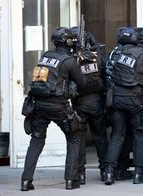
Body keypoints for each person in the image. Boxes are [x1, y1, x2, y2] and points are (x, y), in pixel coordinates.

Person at [21, 27, 86, 191]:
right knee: (74, 137)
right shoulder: (69, 61)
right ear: (68, 41)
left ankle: (25, 182)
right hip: (59, 106)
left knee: (36, 141)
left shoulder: (45, 56)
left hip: (39, 106)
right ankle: (71, 180)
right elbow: (82, 83)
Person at [103, 27, 143, 185]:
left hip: (116, 98)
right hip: (136, 100)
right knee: (140, 135)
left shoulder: (117, 54)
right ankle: (139, 173)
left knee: (117, 135)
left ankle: (109, 172)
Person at [70, 26, 108, 184]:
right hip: (96, 103)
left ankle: (80, 174)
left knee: (78, 139)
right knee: (100, 138)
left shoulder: (72, 58)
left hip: (79, 103)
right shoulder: (97, 57)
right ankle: (106, 171)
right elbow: (105, 74)